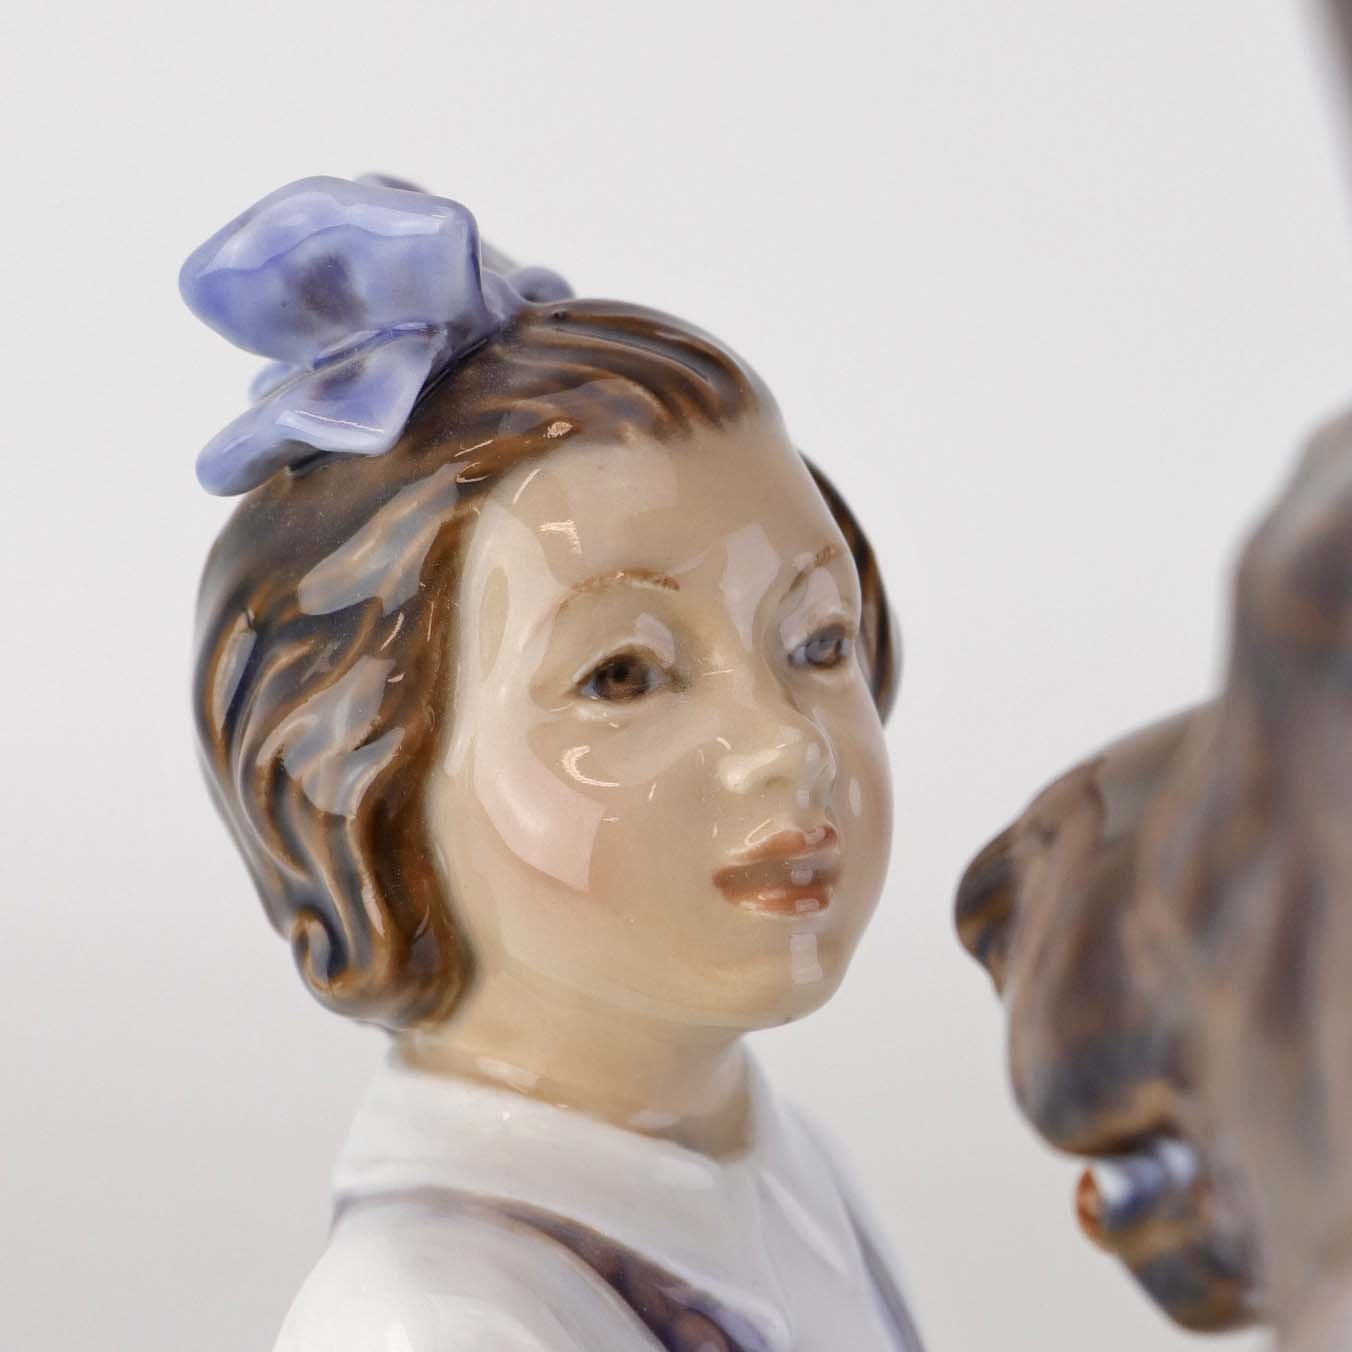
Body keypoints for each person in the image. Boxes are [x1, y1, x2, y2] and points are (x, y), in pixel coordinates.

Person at [184, 175, 920, 1351]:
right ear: (363, 783)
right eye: (622, 675)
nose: (785, 740)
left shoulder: (789, 1170)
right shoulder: (438, 1324)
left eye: (818, 640)